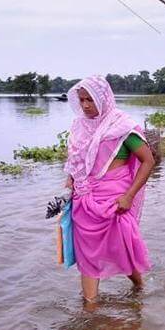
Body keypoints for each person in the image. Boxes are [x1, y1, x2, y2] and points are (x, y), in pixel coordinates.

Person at [64, 76, 155, 304]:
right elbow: (77, 161)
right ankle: (90, 309)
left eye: (90, 100)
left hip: (115, 202)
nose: (85, 105)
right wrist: (71, 180)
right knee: (87, 256)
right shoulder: (79, 127)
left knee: (122, 248)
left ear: (103, 99)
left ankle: (139, 288)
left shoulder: (121, 128)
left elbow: (148, 161)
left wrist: (129, 196)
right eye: (81, 100)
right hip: (84, 201)